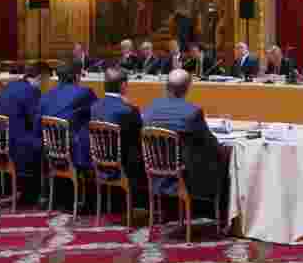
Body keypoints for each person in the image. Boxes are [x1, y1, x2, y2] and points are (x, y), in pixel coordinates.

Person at [143, 69, 226, 202]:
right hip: (185, 176)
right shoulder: (192, 112)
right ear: (187, 89)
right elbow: (212, 144)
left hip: (153, 172)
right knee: (222, 159)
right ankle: (217, 211)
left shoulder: (150, 108)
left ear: (166, 86)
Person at [0, 63, 50, 204]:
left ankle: (28, 190)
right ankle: (40, 193)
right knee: (49, 143)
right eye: (46, 80)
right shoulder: (31, 91)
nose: (45, 84)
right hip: (17, 144)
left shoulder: (9, 86)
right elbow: (36, 121)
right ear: (39, 77)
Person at [90, 67, 145, 187]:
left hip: (99, 160)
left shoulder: (94, 107)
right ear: (123, 85)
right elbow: (139, 135)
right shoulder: (128, 110)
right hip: (122, 163)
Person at [39, 60, 98, 170]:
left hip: (49, 150)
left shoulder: (45, 96)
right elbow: (98, 113)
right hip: (73, 150)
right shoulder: (84, 92)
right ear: (76, 76)